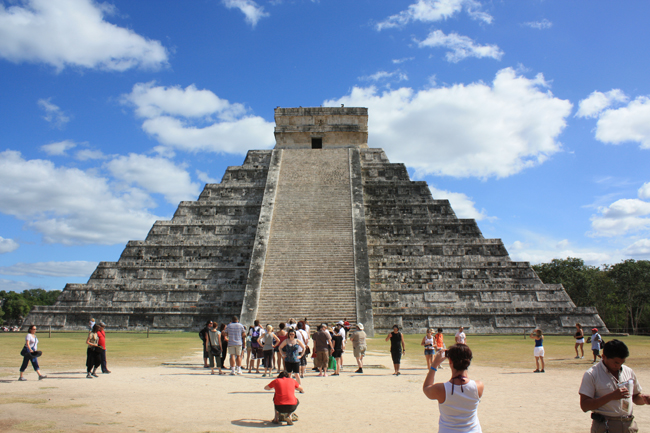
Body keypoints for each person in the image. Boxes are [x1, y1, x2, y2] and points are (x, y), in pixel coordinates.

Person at [579, 339, 650, 433]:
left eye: (622, 362)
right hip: (605, 426)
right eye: (616, 362)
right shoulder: (592, 374)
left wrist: (644, 399)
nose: (619, 365)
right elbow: (585, 406)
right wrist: (612, 396)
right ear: (604, 357)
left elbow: (635, 397)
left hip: (629, 426)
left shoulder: (629, 372)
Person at [423, 344, 484, 433]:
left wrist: (434, 364)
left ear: (450, 361)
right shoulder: (478, 386)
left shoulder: (441, 389)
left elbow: (426, 388)